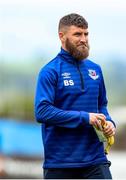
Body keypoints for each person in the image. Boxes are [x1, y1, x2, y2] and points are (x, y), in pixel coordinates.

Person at [35, 13, 116, 179]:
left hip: (95, 160)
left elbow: (101, 105)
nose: (83, 39)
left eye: (86, 34)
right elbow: (42, 111)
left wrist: (108, 122)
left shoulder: (95, 70)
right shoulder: (50, 71)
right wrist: (85, 118)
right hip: (60, 163)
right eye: (77, 34)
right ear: (62, 36)